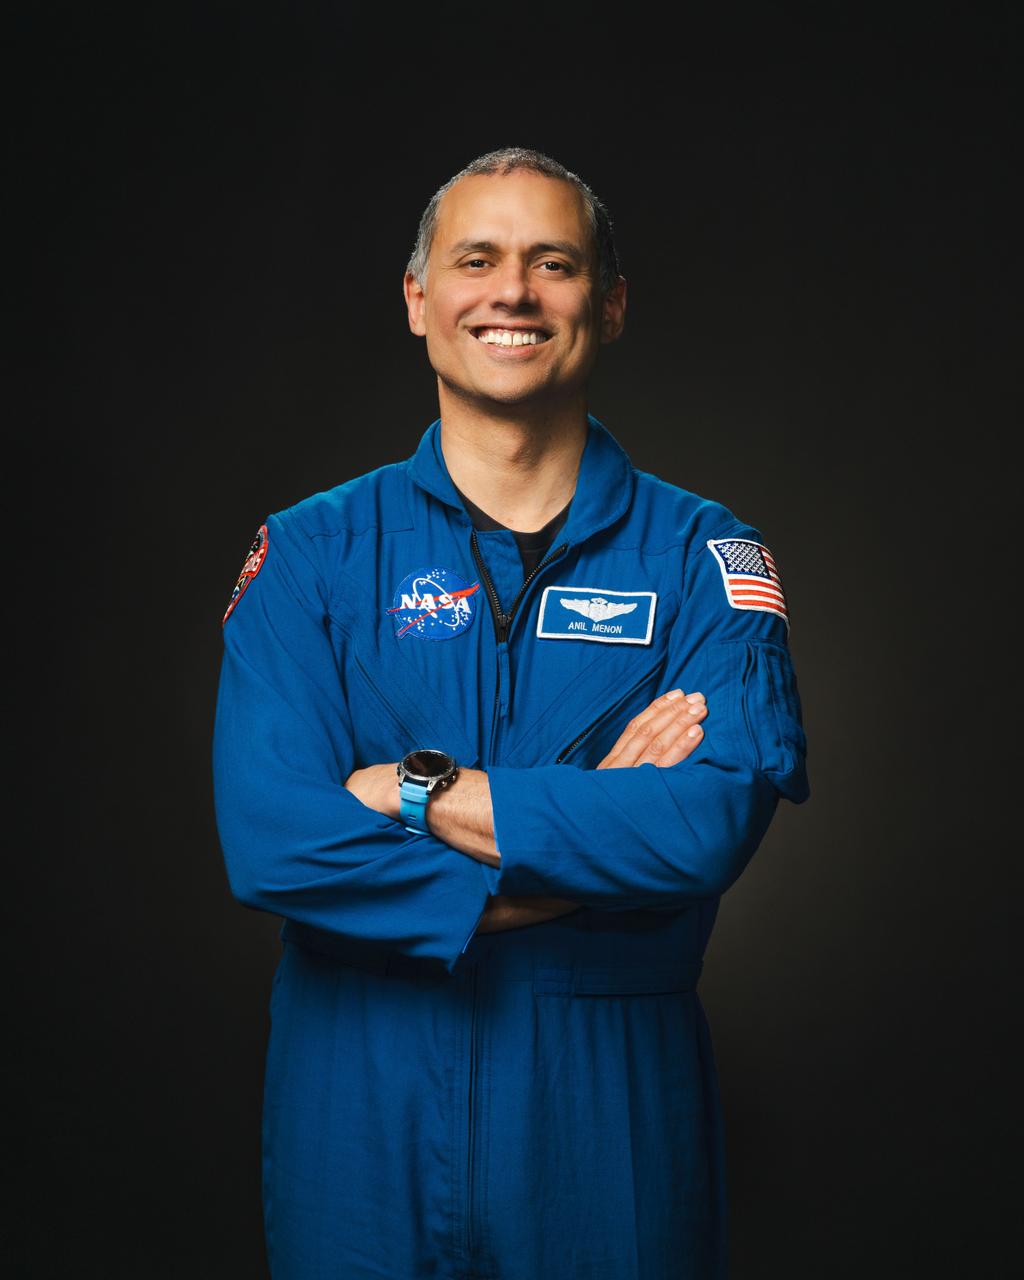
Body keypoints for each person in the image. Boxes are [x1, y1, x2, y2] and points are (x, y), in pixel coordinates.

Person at [212, 146, 809, 1280]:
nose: (514, 293)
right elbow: (273, 838)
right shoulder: (310, 552)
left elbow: (703, 824)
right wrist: (586, 848)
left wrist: (414, 791)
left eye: (554, 263)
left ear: (610, 304)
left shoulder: (704, 558)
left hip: (608, 1112)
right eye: (477, 260)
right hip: (356, 1103)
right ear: (418, 298)